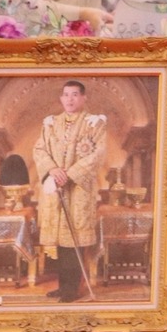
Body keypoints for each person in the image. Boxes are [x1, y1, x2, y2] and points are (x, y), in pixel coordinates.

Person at [34, 79, 108, 302]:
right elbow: (39, 149)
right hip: (56, 187)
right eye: (66, 95)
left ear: (83, 98)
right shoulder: (50, 124)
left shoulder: (94, 123)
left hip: (78, 190)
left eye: (75, 94)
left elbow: (98, 154)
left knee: (73, 241)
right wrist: (53, 169)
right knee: (59, 242)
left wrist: (70, 173)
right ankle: (63, 286)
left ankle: (71, 290)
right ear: (61, 98)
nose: (70, 99)